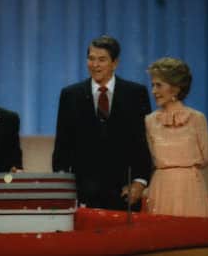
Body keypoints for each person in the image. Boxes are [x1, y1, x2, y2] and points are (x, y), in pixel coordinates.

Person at [52, 35, 152, 210]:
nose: (95, 65)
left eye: (101, 60)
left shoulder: (136, 94)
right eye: (91, 59)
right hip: (83, 193)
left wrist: (140, 182)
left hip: (125, 192)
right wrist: (63, 187)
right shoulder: (70, 95)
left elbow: (144, 143)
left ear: (115, 63)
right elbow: (62, 146)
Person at [145, 57, 208, 217]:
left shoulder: (197, 118)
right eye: (153, 85)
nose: (153, 91)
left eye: (159, 85)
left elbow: (206, 157)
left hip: (190, 188)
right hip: (161, 188)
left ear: (175, 89)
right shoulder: (149, 121)